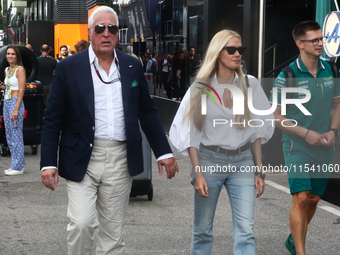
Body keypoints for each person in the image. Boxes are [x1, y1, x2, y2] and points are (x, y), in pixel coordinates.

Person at [40, 6, 179, 255]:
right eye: (100, 28)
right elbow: (53, 118)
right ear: (90, 32)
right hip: (81, 156)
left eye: (112, 28)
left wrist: (164, 152)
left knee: (113, 235)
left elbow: (147, 112)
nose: (106, 33)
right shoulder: (68, 67)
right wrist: (48, 162)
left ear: (117, 33)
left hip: (120, 158)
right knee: (82, 224)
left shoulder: (131, 66)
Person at [170, 29, 274, 255]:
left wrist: (260, 171)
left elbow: (256, 130)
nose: (238, 54)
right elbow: (192, 134)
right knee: (203, 230)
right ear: (218, 53)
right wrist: (197, 173)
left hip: (244, 161)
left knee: (246, 230)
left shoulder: (250, 84)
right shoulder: (202, 87)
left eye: (241, 49)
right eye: (231, 49)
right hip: (209, 161)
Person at [272, 21, 340, 255]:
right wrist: (305, 133)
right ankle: (300, 252)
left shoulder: (331, 69)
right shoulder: (287, 75)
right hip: (297, 145)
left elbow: (337, 104)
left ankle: (293, 238)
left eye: (321, 39)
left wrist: (333, 131)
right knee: (301, 198)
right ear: (300, 44)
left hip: (325, 146)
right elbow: (276, 117)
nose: (320, 43)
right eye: (314, 40)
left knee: (313, 199)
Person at [0, 45, 26, 176]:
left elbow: (21, 90)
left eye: (13, 54)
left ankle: (18, 166)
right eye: (8, 54)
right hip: (6, 102)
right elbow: (11, 87)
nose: (10, 56)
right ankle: (15, 164)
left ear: (17, 56)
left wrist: (16, 109)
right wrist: (4, 87)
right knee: (9, 135)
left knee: (16, 135)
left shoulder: (20, 69)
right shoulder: (7, 70)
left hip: (15, 103)